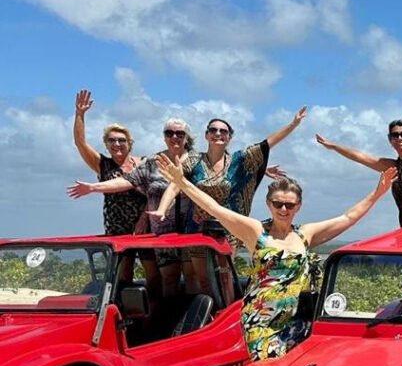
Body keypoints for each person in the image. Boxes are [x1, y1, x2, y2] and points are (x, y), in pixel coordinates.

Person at [155, 153, 397, 361]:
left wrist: (377, 193)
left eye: (289, 205)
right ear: (269, 204)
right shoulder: (255, 232)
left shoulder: (305, 234)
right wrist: (182, 182)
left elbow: (348, 218)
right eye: (278, 203)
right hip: (261, 321)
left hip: (298, 321)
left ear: (298, 207)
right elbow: (215, 209)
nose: (283, 209)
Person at [153, 108, 308, 298]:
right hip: (197, 227)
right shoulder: (193, 160)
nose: (218, 133)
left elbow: (268, 143)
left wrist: (293, 124)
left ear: (229, 137)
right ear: (206, 135)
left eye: (223, 131)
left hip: (228, 228)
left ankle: (227, 312)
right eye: (213, 130)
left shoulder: (239, 160)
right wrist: (162, 209)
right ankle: (209, 314)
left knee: (225, 277)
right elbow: (176, 183)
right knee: (203, 279)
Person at [68, 118, 199, 298]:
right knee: (167, 279)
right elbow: (127, 180)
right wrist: (93, 187)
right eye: (169, 133)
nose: (174, 137)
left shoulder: (197, 160)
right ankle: (166, 315)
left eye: (179, 133)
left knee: (193, 278)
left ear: (187, 137)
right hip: (160, 233)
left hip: (189, 230)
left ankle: (196, 314)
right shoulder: (153, 162)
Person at [72, 89, 147, 284]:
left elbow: (155, 194)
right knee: (123, 276)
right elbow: (80, 143)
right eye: (112, 140)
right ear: (106, 144)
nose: (117, 144)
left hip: (145, 228)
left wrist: (143, 220)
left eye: (121, 140)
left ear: (130, 143)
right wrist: (80, 114)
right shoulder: (103, 165)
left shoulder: (143, 164)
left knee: (154, 274)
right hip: (117, 229)